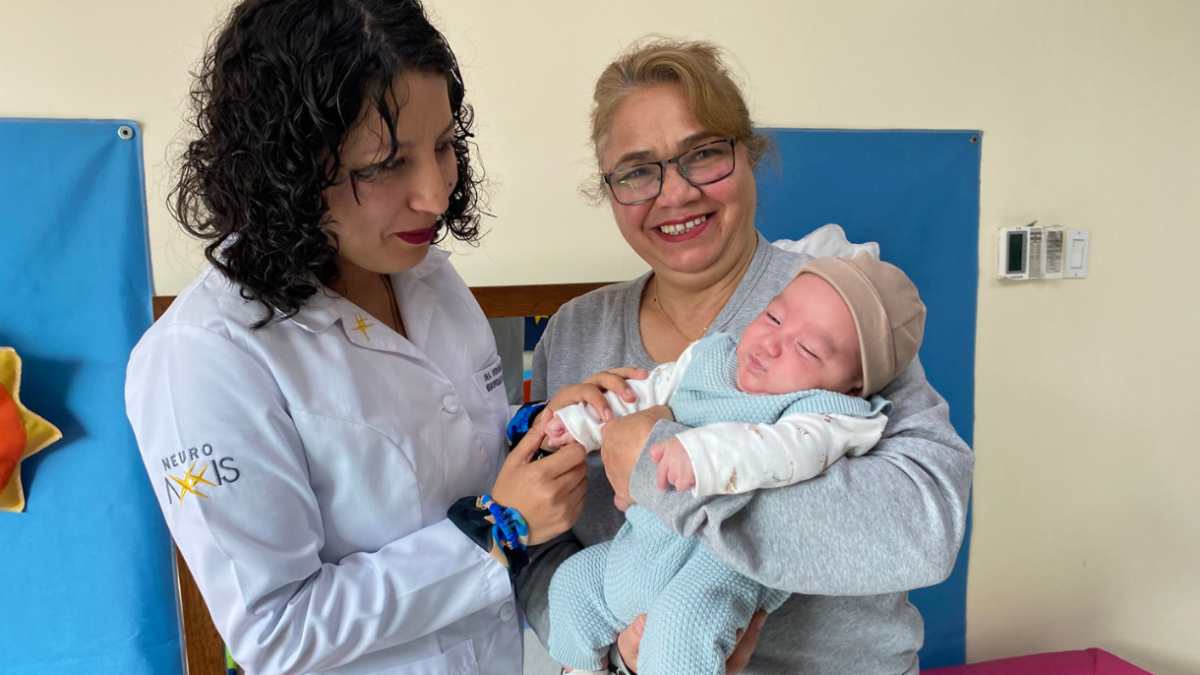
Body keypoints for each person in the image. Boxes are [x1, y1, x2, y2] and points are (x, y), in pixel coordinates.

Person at [124, 2, 587, 674]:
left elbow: (448, 448)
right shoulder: (200, 357)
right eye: (385, 163)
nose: (435, 195)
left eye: (443, 146)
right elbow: (276, 631)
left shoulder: (424, 274)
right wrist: (494, 532)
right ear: (285, 166)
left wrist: (536, 429)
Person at [515, 39, 975, 675]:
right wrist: (617, 659)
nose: (676, 194)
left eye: (704, 153)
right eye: (638, 171)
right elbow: (542, 551)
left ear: (749, 153)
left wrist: (661, 467)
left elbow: (924, 524)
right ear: (610, 190)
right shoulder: (575, 332)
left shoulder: (833, 304)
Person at [541, 253, 925, 675]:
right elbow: (644, 392)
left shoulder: (828, 414)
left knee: (682, 637)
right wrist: (581, 423)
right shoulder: (713, 357)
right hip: (643, 545)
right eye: (773, 317)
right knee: (572, 586)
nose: (770, 344)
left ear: (851, 387)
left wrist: (699, 454)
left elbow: (783, 451)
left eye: (807, 348)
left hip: (718, 567)